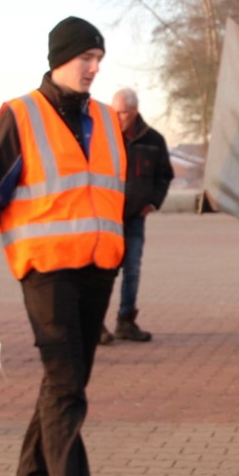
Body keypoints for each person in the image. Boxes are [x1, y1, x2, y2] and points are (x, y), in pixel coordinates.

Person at [0, 16, 130, 476]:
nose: (95, 68)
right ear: (60, 58)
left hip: (98, 267)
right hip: (46, 270)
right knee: (66, 386)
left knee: (66, 383)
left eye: (100, 58)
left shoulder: (104, 118)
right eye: (87, 58)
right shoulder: (20, 115)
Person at [99, 87, 173, 346]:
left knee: (132, 270)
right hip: (106, 219)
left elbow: (164, 175)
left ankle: (125, 321)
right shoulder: (101, 138)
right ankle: (96, 324)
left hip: (134, 219)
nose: (118, 118)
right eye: (114, 112)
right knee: (104, 271)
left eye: (123, 113)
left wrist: (153, 202)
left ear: (135, 111)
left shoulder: (153, 141)